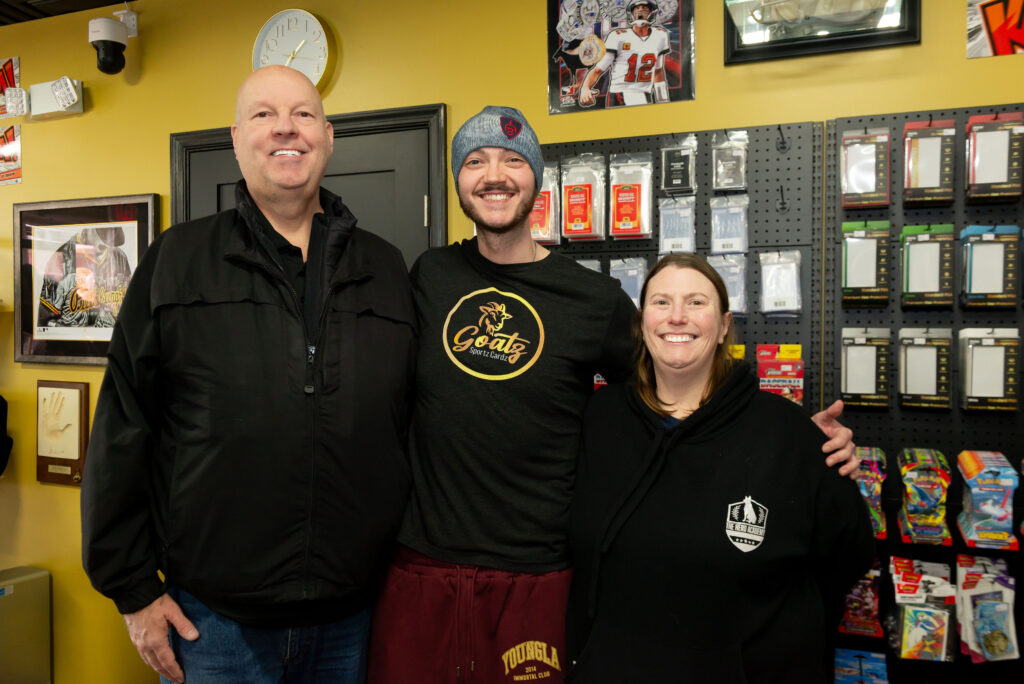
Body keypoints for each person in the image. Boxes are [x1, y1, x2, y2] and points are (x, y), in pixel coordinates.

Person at [367, 106, 859, 684]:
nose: (493, 174)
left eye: (511, 160)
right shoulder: (430, 275)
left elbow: (677, 385)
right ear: (457, 180)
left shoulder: (593, 298)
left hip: (537, 570)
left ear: (536, 180)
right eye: (475, 161)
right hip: (424, 563)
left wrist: (790, 444)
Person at [80, 65, 415, 684]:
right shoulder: (175, 261)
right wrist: (131, 591)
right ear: (237, 138)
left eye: (303, 114)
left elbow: (409, 427)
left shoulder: (386, 268)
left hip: (352, 620)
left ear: (329, 136)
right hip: (212, 625)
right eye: (264, 115)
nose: (285, 128)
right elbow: (123, 429)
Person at [566, 253, 874, 682]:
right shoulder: (599, 418)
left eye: (696, 302)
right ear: (640, 323)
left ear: (725, 324)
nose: (677, 317)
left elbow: (848, 555)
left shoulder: (787, 432)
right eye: (661, 302)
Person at [578, 0, 671, 108]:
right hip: (621, 93)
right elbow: (598, 69)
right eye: (636, 9)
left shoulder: (660, 35)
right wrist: (585, 88)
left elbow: (658, 71)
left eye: (644, 9)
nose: (640, 12)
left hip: (646, 93)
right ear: (631, 14)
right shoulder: (618, 36)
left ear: (652, 13)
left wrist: (663, 100)